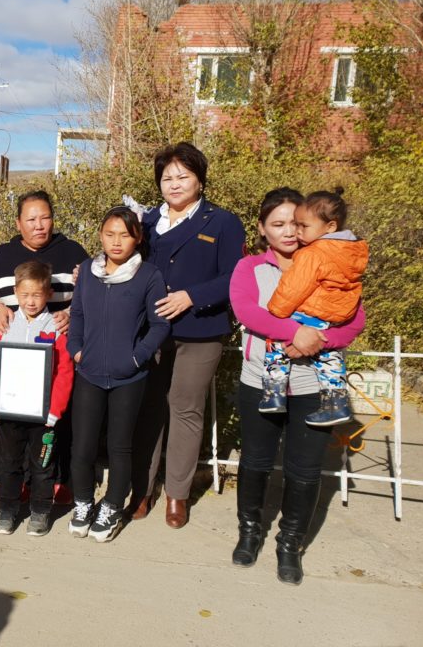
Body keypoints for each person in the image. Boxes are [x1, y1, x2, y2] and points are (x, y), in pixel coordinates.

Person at [229, 187, 365, 585]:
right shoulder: (250, 268)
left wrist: (318, 340)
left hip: (313, 386)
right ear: (263, 229)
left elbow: (354, 321)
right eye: (278, 224)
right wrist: (297, 331)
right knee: (254, 462)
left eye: (295, 222)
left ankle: (290, 543)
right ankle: (249, 532)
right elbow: (248, 312)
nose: (289, 231)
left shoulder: (336, 262)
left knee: (304, 471)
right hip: (259, 380)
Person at [128, 142, 245, 529]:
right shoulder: (145, 222)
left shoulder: (223, 222)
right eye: (167, 177)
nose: (175, 184)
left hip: (200, 329)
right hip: (150, 330)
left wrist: (191, 297)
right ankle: (141, 489)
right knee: (149, 407)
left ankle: (177, 494)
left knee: (186, 408)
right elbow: (123, 260)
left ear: (199, 179)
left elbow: (234, 278)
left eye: (183, 176)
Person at [0, 190, 89, 504]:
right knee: (17, 427)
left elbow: (91, 296)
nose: (39, 225)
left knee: (58, 422)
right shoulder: (3, 255)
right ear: (18, 223)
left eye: (45, 217)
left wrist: (72, 313)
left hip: (56, 358)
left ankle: (59, 482)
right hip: (15, 362)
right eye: (31, 219)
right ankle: (21, 483)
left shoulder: (72, 252)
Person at [67, 207, 170, 542]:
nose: (116, 241)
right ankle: (83, 502)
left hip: (129, 377)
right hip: (90, 372)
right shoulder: (87, 270)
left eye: (124, 234)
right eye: (110, 233)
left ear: (137, 238)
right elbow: (77, 314)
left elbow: (159, 324)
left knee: (120, 446)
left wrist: (137, 358)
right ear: (100, 234)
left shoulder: (149, 275)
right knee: (81, 445)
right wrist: (76, 348)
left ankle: (112, 505)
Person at [0, 261, 75, 537]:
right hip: (9, 412)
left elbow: (65, 373)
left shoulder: (57, 327)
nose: (30, 301)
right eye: (25, 295)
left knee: (43, 466)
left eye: (36, 295)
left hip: (44, 417)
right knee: (9, 464)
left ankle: (40, 512)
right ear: (16, 293)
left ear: (47, 294)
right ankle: (7, 510)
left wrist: (55, 410)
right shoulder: (6, 324)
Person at [262, 188, 367, 427]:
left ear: (330, 226)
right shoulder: (354, 251)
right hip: (335, 316)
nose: (297, 231)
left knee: (276, 345)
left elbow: (294, 287)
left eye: (303, 226)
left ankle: (273, 393)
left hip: (310, 312)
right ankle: (336, 403)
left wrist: (276, 310)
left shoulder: (312, 253)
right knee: (329, 357)